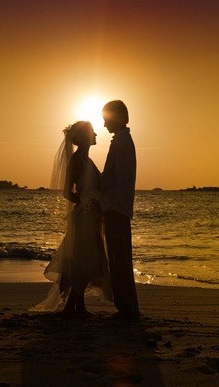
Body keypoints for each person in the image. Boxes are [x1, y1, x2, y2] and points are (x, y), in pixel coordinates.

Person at [32, 121, 111, 317]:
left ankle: (75, 307)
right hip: (84, 217)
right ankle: (73, 307)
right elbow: (68, 192)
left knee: (85, 260)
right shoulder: (76, 160)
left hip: (92, 216)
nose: (96, 135)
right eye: (92, 132)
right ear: (84, 137)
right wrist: (84, 200)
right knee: (84, 259)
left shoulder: (87, 160)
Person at [101, 100, 139, 320]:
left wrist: (103, 194)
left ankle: (128, 310)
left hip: (117, 208)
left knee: (120, 258)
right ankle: (126, 307)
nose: (104, 125)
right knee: (118, 257)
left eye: (106, 119)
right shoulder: (121, 140)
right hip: (117, 207)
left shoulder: (122, 142)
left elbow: (121, 179)